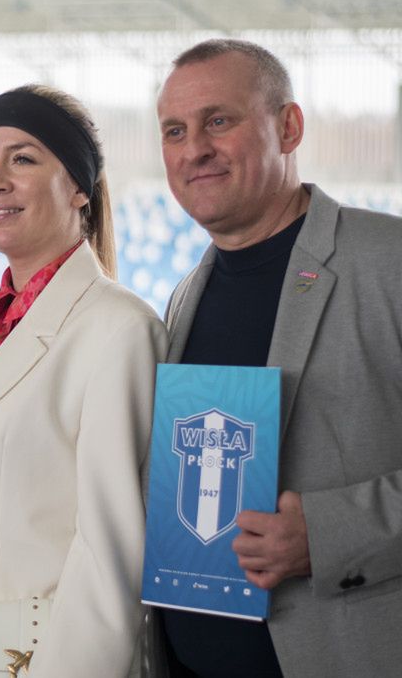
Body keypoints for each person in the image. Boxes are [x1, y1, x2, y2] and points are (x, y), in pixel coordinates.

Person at [149, 38, 402, 677]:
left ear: (288, 127)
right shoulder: (185, 296)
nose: (194, 149)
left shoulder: (387, 262)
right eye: (175, 130)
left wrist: (332, 533)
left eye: (218, 121)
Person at [0, 84, 168, 677]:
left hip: (50, 659)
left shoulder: (120, 328)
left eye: (22, 159)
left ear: (79, 187)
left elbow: (111, 557)